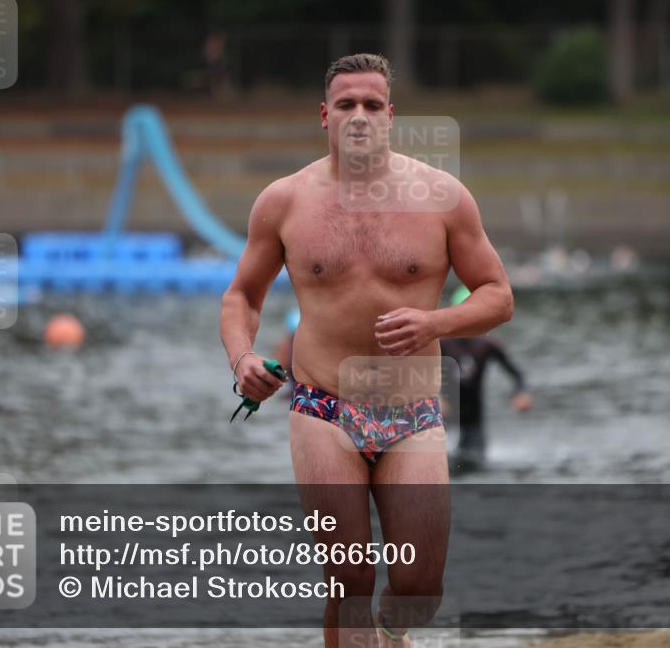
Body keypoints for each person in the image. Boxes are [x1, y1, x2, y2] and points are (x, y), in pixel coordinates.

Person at [220, 53, 513, 648]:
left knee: (418, 584)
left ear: (390, 117)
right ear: (324, 116)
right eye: (346, 105)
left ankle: (390, 637)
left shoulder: (443, 197)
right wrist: (243, 358)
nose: (359, 116)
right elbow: (241, 296)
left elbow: (498, 296)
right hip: (322, 407)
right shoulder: (284, 201)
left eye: (372, 105)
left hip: (412, 412)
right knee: (350, 577)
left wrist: (434, 321)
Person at [440, 287, 532, 473]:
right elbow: (417, 373)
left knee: (474, 463)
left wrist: (521, 393)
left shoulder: (487, 345)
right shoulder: (441, 344)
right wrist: (435, 398)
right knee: (436, 463)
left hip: (474, 417)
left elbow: (517, 374)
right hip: (444, 415)